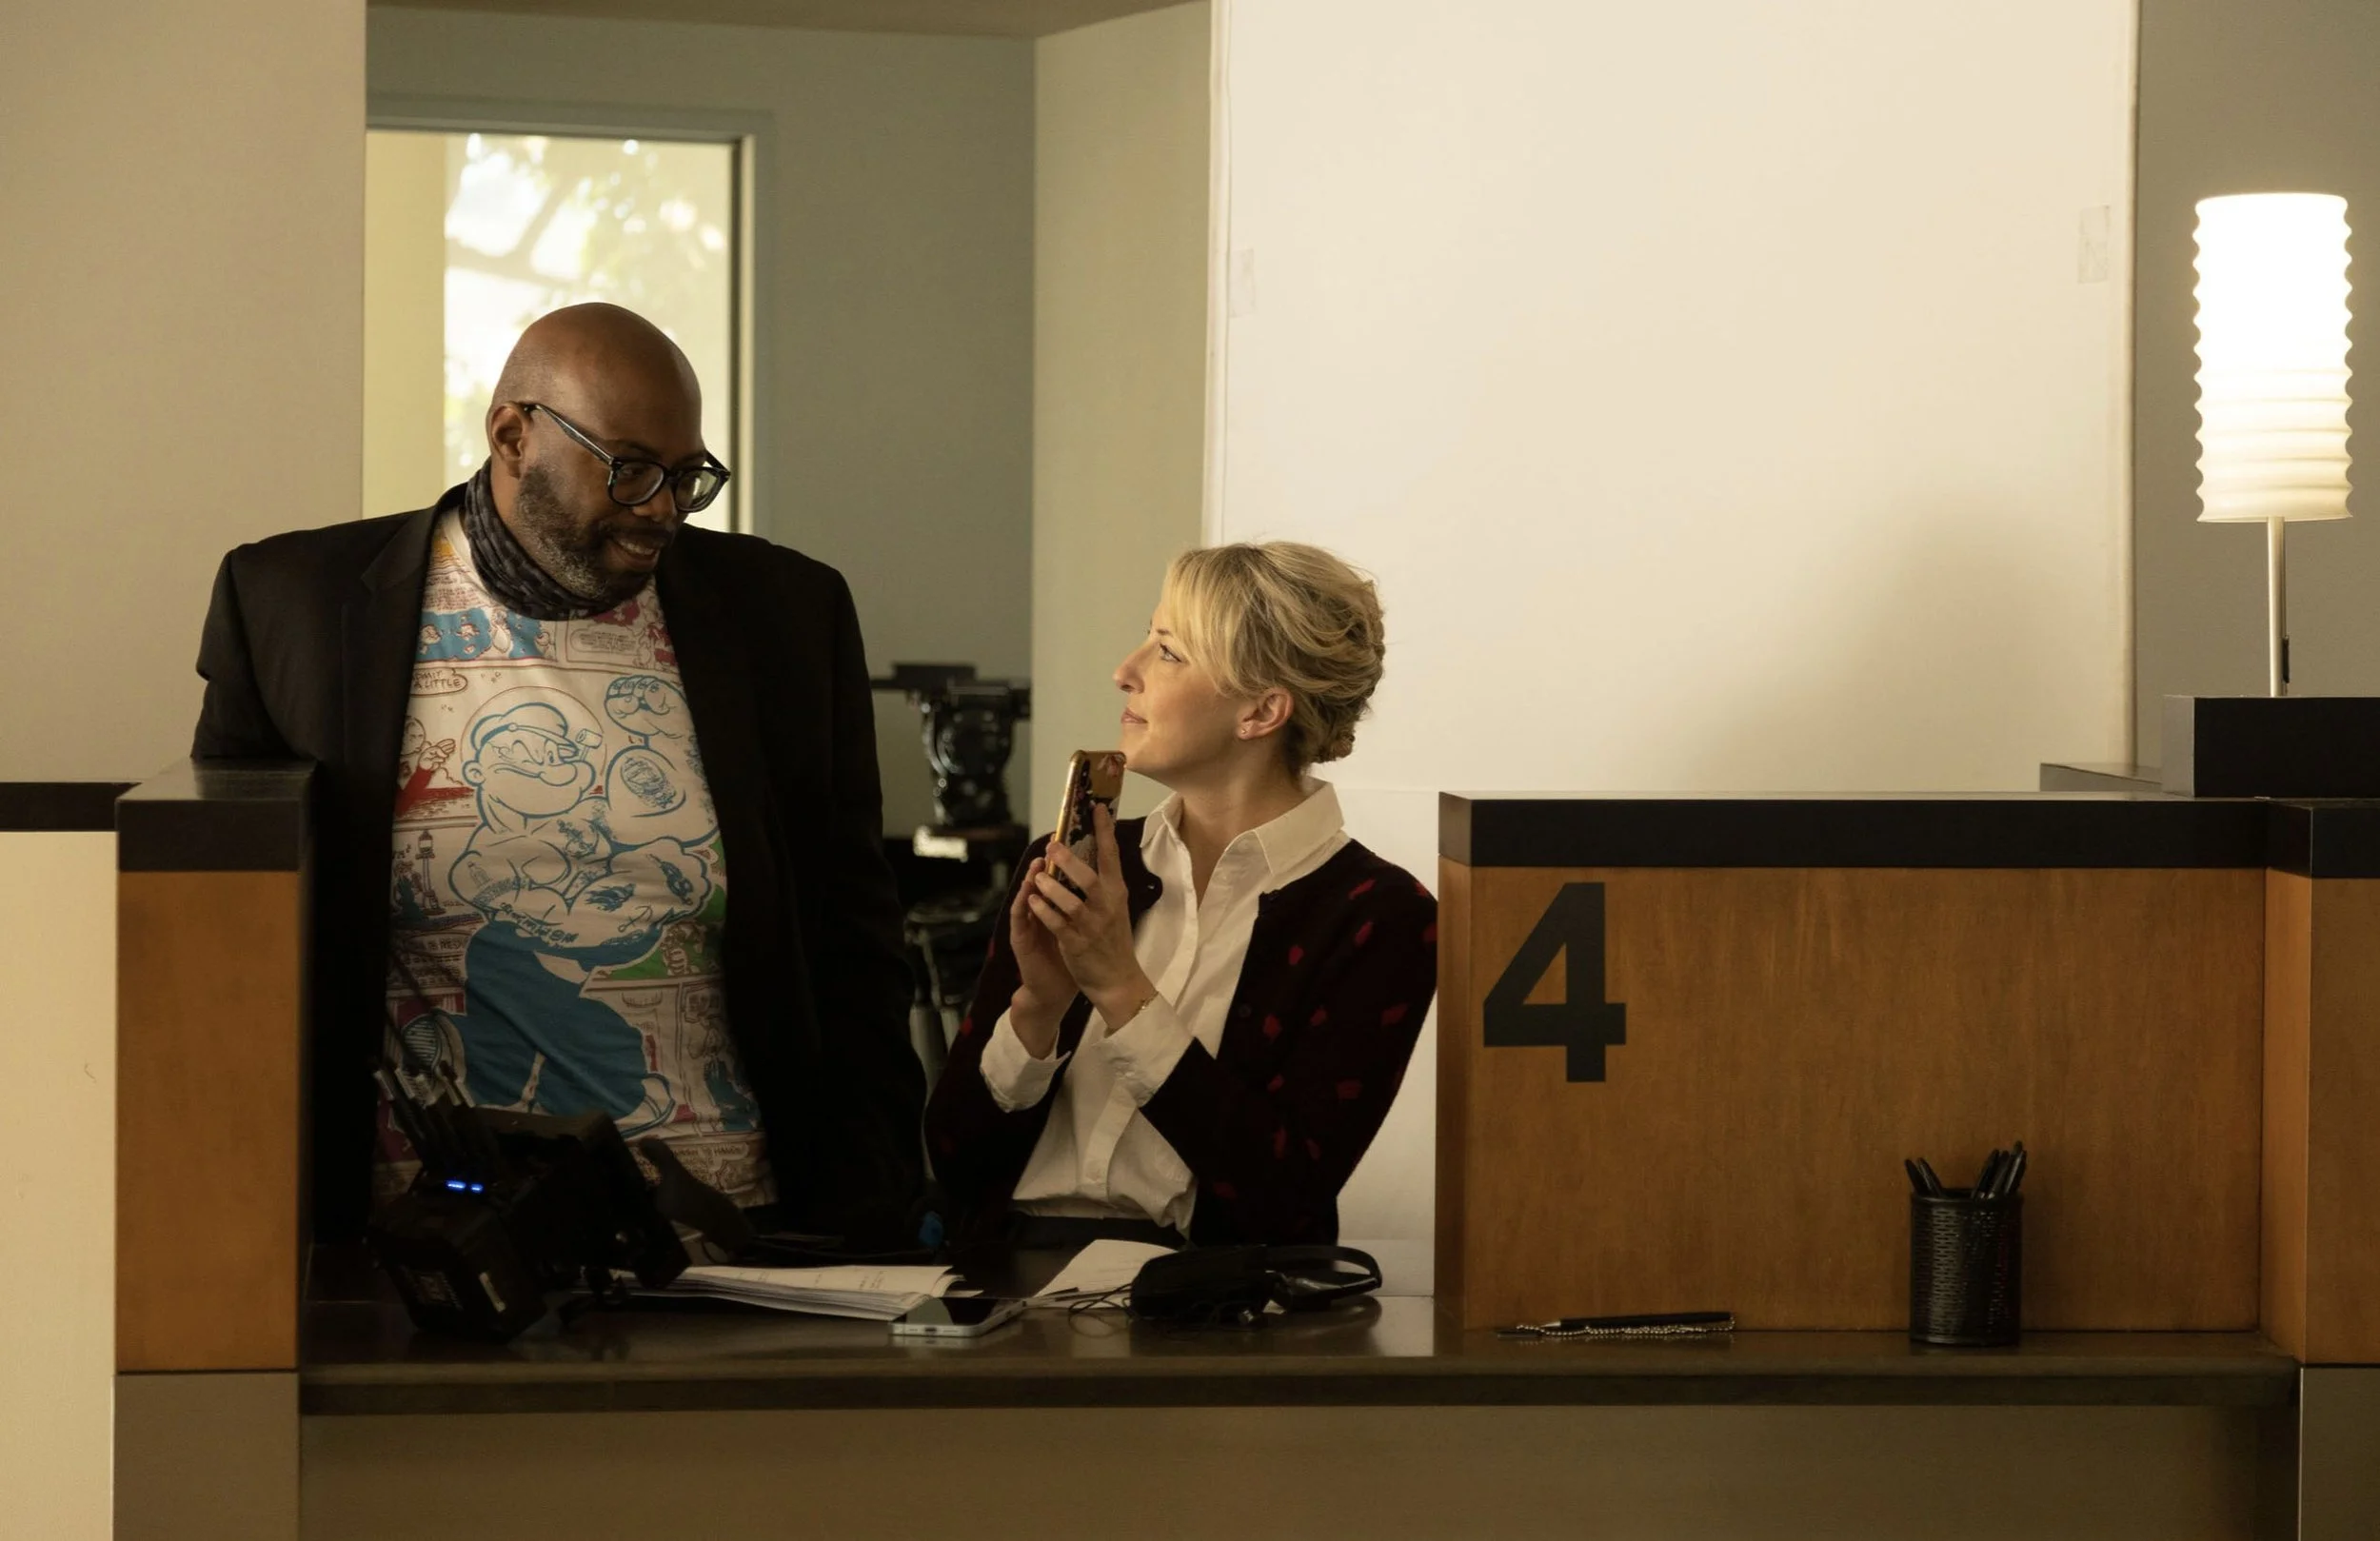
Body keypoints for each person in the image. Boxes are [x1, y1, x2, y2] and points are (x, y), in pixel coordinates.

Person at [192, 303, 923, 1245]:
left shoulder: (785, 614)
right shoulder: (294, 605)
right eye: (630, 468)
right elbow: (226, 941)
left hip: (733, 1226)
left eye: (687, 475)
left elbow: (855, 933)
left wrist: (881, 1200)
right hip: (428, 1238)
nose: (662, 507)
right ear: (512, 435)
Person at [924, 543, 1438, 1249]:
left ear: (1261, 710)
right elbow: (954, 1161)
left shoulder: (1379, 915)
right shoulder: (1075, 865)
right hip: (1006, 1281)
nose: (1124, 671)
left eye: (1167, 651)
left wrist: (1121, 989)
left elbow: (1283, 1200)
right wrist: (1039, 1008)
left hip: (1205, 1300)